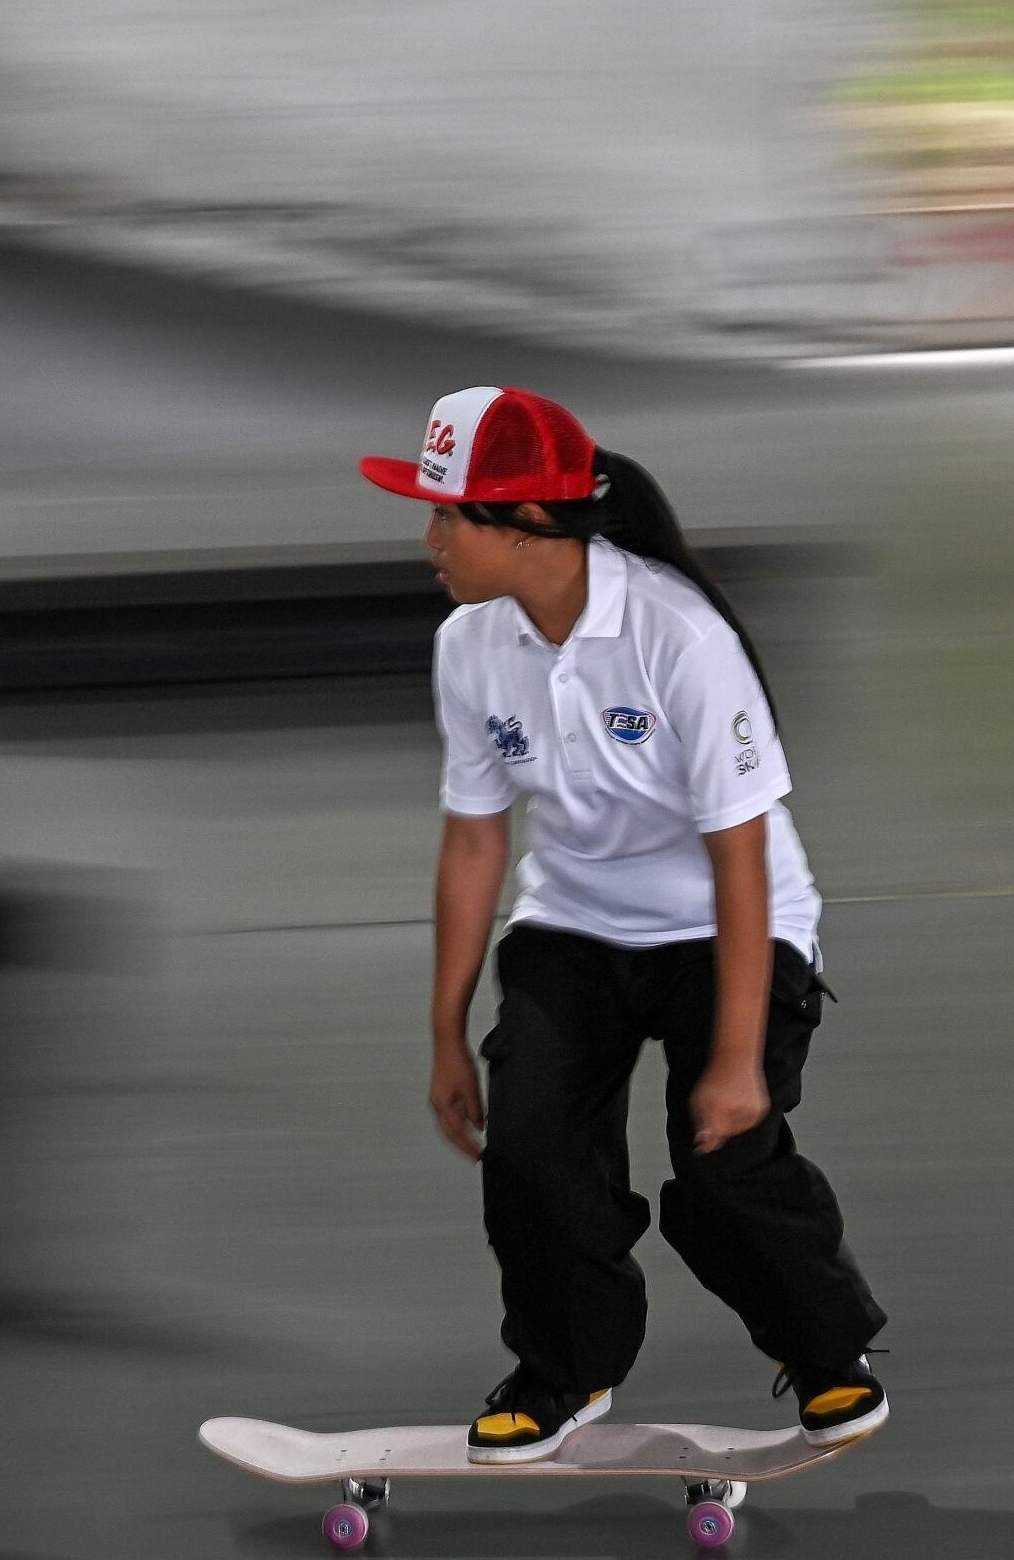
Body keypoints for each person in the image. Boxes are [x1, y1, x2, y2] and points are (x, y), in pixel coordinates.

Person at [356, 385, 889, 1465]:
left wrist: (735, 1057)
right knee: (532, 1157)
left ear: (527, 526)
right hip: (577, 921)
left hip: (727, 922)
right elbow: (474, 843)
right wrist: (443, 1033)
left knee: (725, 1165)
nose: (428, 541)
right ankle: (566, 1369)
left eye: (446, 516)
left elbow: (736, 857)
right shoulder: (468, 644)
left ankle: (826, 1353)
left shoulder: (674, 634)